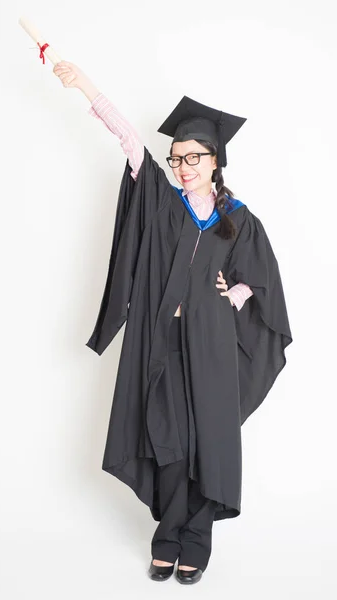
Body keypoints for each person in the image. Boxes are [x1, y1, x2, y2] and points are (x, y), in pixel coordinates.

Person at [53, 61, 293, 585]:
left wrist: (237, 295)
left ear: (215, 161)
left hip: (212, 347)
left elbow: (262, 280)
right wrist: (86, 87)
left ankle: (195, 542)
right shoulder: (166, 205)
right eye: (177, 157)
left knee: (208, 440)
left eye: (194, 158)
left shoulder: (239, 218)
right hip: (164, 342)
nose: (183, 166)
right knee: (168, 439)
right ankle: (167, 536)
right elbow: (129, 142)